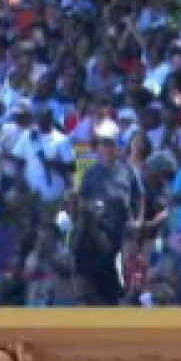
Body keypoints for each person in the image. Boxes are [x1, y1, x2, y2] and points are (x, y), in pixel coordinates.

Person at [75, 120, 140, 304]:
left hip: (120, 235)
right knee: (89, 288)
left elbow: (138, 198)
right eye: (104, 144)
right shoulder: (90, 174)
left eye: (111, 144)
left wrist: (137, 222)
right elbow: (82, 202)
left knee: (116, 290)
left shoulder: (128, 172)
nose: (107, 148)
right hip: (94, 236)